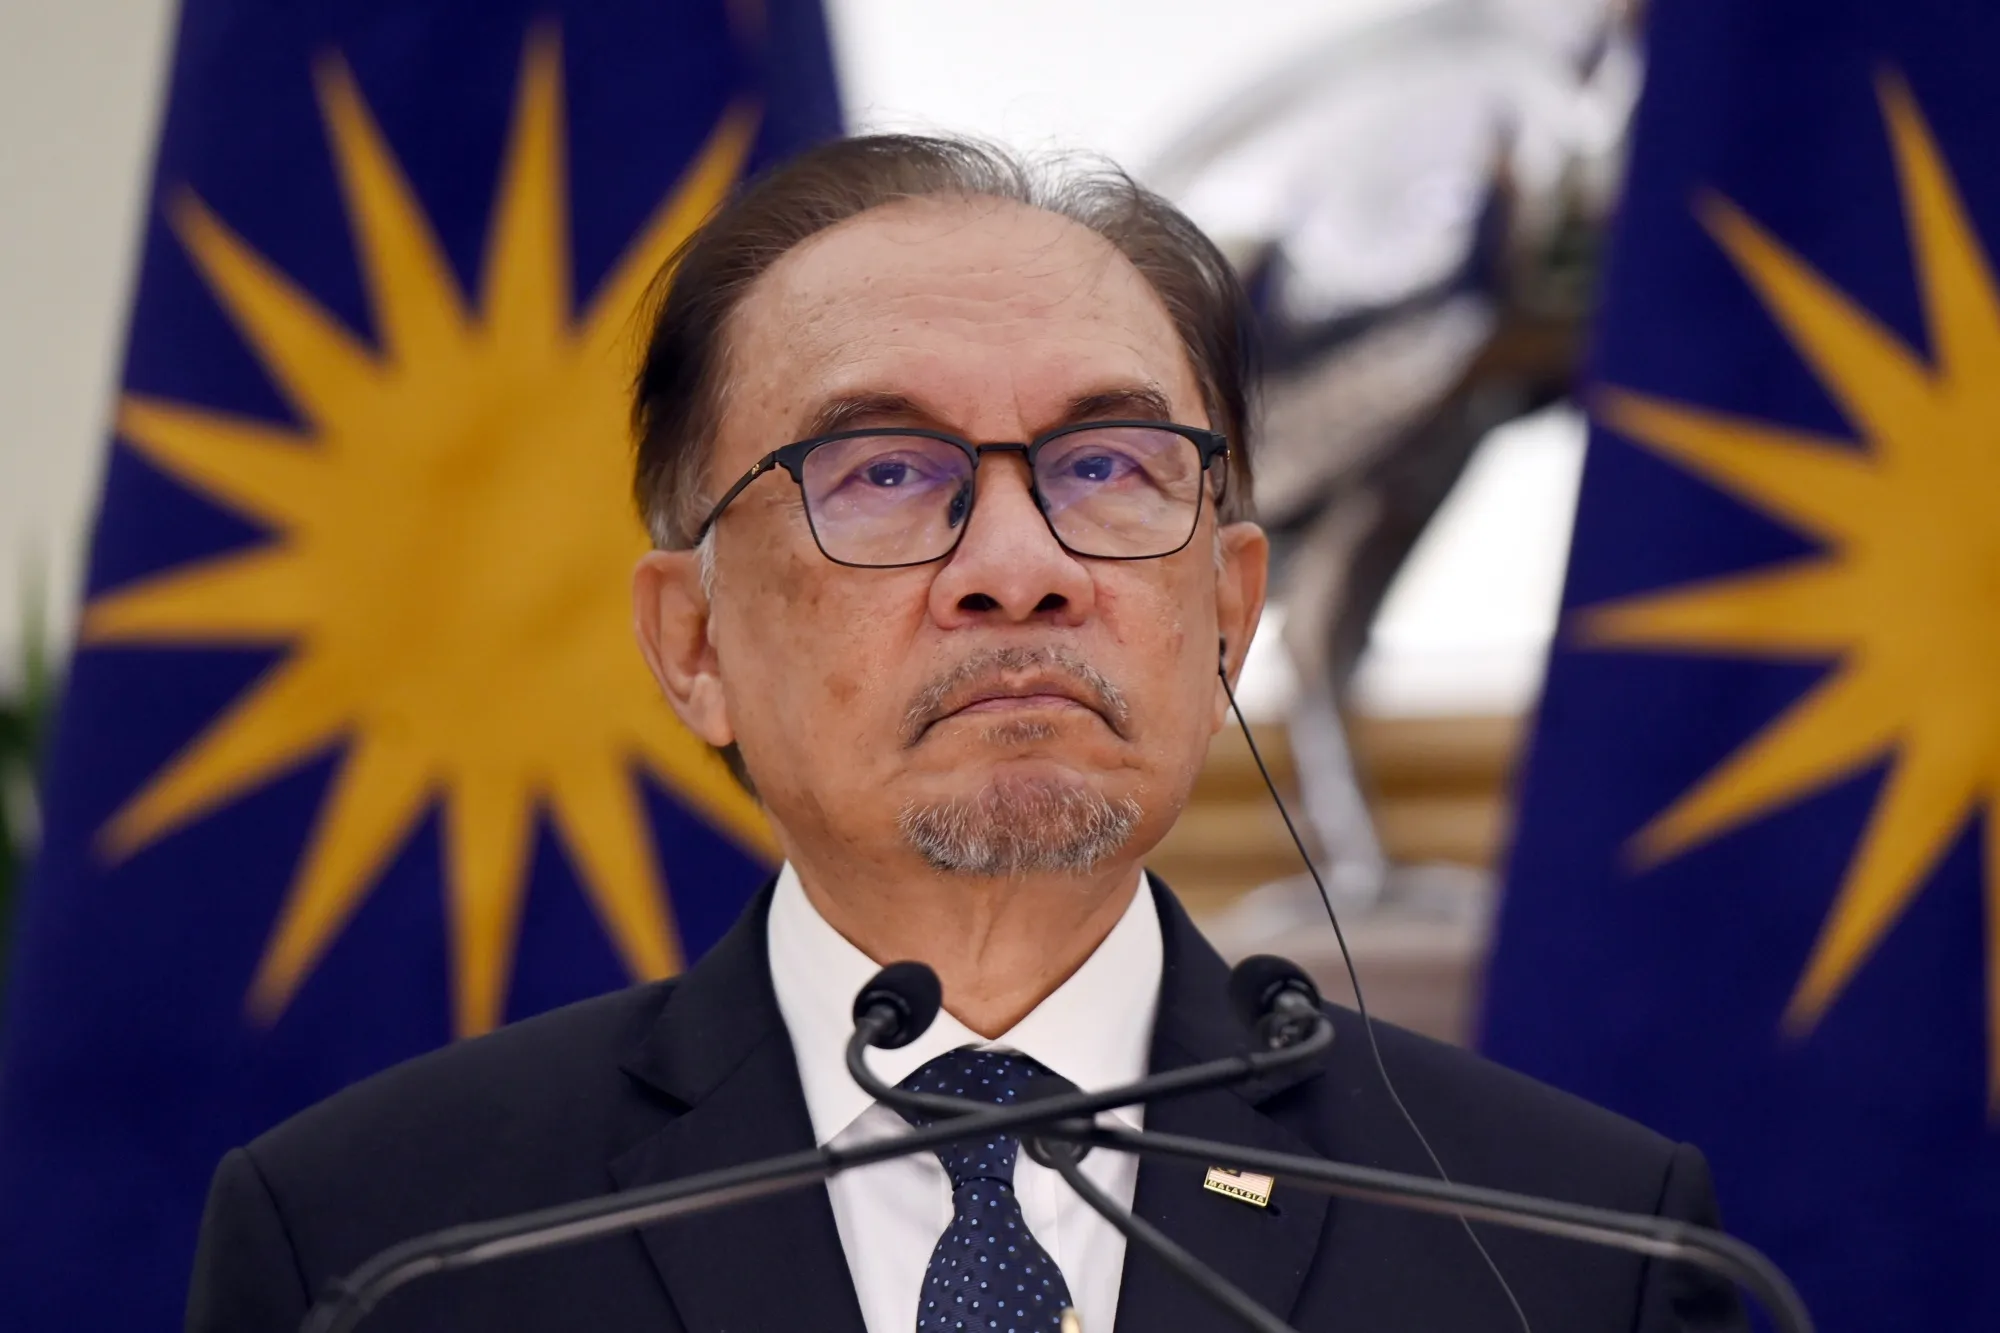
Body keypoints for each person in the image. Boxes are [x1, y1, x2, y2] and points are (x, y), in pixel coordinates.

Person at [186, 136, 1746, 1333]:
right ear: (694, 643)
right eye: (883, 471)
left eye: (1110, 465)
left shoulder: (1565, 1246)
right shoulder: (385, 1247)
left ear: (1227, 611)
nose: (1019, 567)